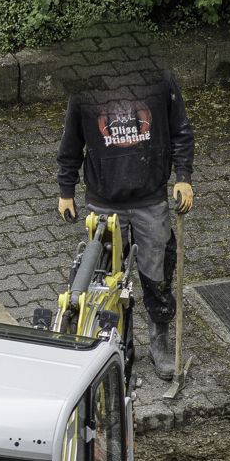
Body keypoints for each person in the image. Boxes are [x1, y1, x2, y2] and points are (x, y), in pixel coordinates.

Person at [56, 66, 195, 379]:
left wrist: (183, 177)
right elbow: (71, 141)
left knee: (157, 274)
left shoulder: (160, 81)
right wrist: (66, 190)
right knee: (106, 281)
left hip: (150, 201)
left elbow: (181, 132)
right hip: (104, 204)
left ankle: (159, 341)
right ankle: (119, 343)